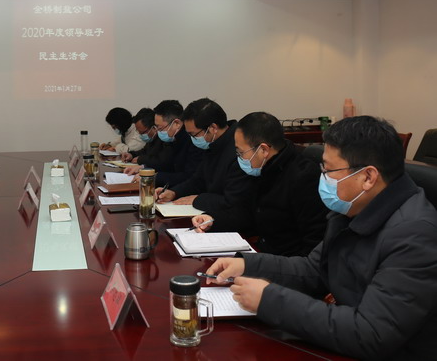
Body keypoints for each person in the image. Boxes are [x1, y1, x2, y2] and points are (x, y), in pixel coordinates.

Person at [206, 116, 437, 360]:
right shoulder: (353, 208)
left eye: (328, 170)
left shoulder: (414, 235)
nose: (322, 177)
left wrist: (269, 300)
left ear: (368, 177)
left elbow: (371, 333)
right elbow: (314, 269)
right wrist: (247, 265)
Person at [192, 112, 328, 256]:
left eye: (240, 153)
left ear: (263, 150)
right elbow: (248, 214)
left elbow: (313, 245)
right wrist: (213, 220)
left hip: (286, 261)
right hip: (263, 253)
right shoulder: (262, 168)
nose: (239, 158)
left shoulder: (303, 178)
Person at [156, 98, 254, 222]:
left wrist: (199, 199)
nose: (192, 139)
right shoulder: (212, 143)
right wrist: (174, 192)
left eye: (194, 135)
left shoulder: (240, 149)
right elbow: (198, 180)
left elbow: (234, 201)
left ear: (213, 128)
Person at [125, 100, 204, 187]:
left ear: (176, 123)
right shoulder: (171, 138)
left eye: (160, 128)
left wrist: (153, 178)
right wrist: (145, 168)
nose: (158, 132)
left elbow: (189, 176)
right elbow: (166, 164)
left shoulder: (193, 140)